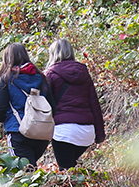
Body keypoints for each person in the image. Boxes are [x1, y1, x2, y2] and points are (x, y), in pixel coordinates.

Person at [43, 39, 106, 169]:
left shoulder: (50, 74)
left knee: (66, 168)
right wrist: (100, 134)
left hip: (62, 131)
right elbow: (94, 104)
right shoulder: (84, 73)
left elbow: (44, 104)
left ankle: (75, 179)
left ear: (53, 54)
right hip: (86, 131)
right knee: (71, 165)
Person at [0, 43, 50, 166]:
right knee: (31, 169)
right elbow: (52, 106)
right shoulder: (41, 78)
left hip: (17, 130)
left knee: (24, 171)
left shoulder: (7, 79)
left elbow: (0, 110)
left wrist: (6, 120)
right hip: (41, 133)